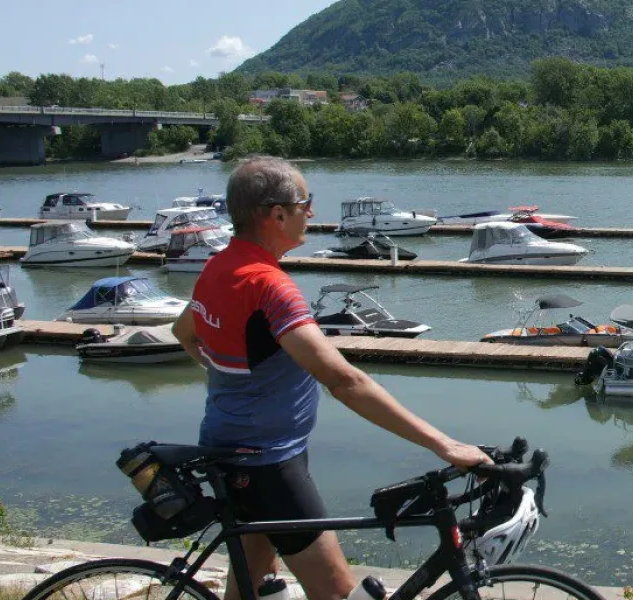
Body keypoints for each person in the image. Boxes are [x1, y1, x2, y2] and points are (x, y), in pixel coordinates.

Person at [171, 156, 491, 600]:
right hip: (268, 464)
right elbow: (344, 382)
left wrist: (226, 379)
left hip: (226, 444)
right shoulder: (269, 287)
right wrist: (446, 444)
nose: (313, 213)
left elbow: (183, 332)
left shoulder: (218, 268)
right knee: (337, 593)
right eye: (306, 202)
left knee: (250, 588)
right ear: (276, 213)